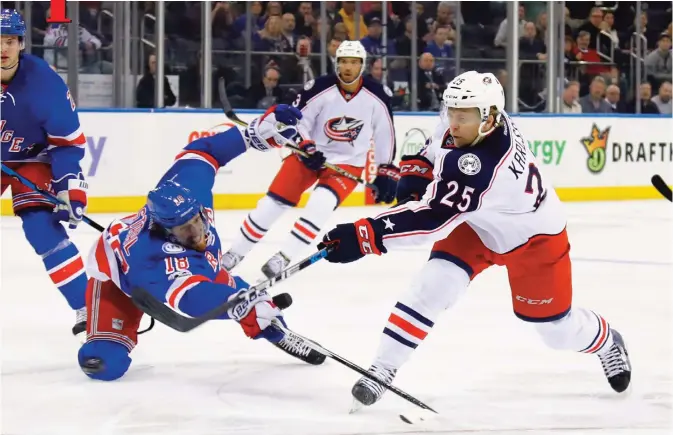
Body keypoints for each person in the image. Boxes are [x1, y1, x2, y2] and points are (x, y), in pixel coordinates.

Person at [317, 71, 632, 409]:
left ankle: (606, 341)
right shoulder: (479, 115)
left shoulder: (482, 165)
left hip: (534, 238)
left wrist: (364, 235)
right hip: (478, 222)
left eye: (461, 117)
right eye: (451, 111)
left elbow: (430, 221)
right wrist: (418, 168)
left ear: (489, 118)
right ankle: (382, 368)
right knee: (433, 285)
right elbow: (440, 136)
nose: (454, 122)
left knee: (555, 331)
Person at [79, 105, 326, 382]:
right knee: (103, 363)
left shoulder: (190, 192)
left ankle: (272, 326)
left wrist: (251, 134)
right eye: (185, 232)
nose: (197, 234)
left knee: (252, 300)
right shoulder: (153, 259)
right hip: (119, 276)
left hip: (188, 267)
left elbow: (204, 152)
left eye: (197, 222)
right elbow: (191, 299)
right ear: (167, 233)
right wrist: (232, 304)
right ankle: (91, 310)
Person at [221, 40, 398, 279]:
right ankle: (235, 253)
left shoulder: (377, 95)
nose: (348, 67)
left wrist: (386, 169)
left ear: (362, 65)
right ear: (336, 64)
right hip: (309, 155)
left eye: (354, 62)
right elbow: (299, 120)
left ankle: (283, 257)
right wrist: (307, 145)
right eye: (343, 61)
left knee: (321, 204)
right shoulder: (319, 87)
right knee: (271, 205)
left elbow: (385, 133)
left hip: (348, 163)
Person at [1, 9, 89, 337]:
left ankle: (88, 306)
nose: (3, 48)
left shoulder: (44, 83)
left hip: (32, 159)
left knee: (41, 227)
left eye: (10, 40)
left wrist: (71, 189)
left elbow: (66, 144)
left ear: (22, 43)